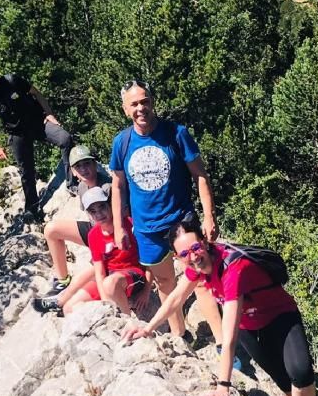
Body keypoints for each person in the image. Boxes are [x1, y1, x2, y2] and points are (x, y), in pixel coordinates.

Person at [120, 217, 318, 396]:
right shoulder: (196, 269)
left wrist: (223, 385)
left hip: (279, 315)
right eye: (186, 253)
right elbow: (175, 299)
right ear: (178, 258)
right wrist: (149, 328)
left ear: (205, 242)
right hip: (249, 326)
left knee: (300, 371)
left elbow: (228, 336)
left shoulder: (234, 269)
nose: (194, 256)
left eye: (196, 247)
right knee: (282, 379)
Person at [110, 81, 220, 339]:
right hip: (147, 229)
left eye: (145, 101)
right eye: (134, 104)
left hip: (181, 223)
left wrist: (209, 215)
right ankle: (180, 335)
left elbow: (200, 175)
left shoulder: (176, 133)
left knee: (201, 280)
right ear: (125, 109)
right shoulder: (122, 143)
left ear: (153, 102)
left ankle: (221, 341)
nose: (141, 108)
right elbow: (117, 185)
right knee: (166, 284)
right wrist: (118, 227)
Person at [0, 60, 74, 222]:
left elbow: (36, 93)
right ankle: (32, 208)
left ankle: (72, 182)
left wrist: (48, 113)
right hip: (17, 133)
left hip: (38, 123)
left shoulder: (12, 81)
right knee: (26, 172)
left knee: (65, 139)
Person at [47, 187, 146, 316]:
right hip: (109, 277)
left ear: (110, 205)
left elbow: (150, 260)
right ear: (89, 214)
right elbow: (99, 272)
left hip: (134, 274)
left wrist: (146, 291)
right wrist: (106, 303)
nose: (99, 214)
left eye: (102, 207)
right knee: (69, 308)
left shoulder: (129, 224)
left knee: (110, 283)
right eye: (93, 211)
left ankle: (127, 321)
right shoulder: (93, 235)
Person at [41, 144, 113, 296]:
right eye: (78, 166)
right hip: (95, 231)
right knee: (51, 230)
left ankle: (63, 298)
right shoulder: (82, 187)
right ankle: (63, 280)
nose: (84, 169)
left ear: (95, 164)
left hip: (112, 237)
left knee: (91, 273)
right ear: (73, 172)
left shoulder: (108, 187)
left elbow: (120, 221)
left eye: (87, 163)